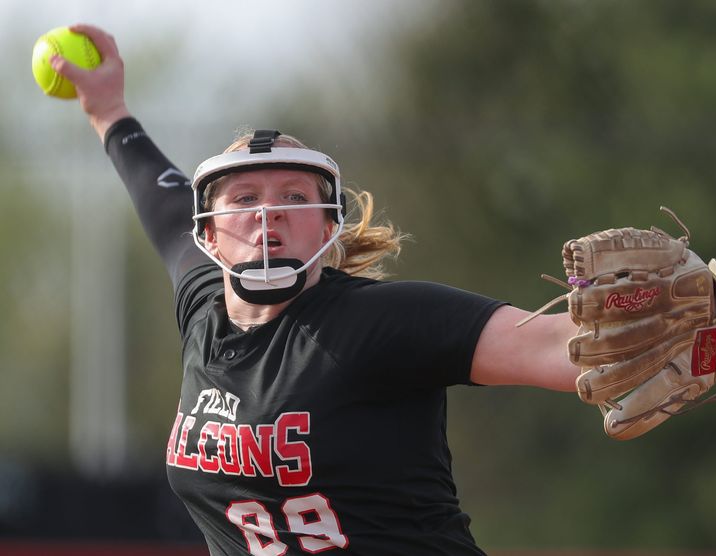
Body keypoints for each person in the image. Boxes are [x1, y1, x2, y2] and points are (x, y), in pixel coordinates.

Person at [53, 24, 580, 556]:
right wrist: (107, 112)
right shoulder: (203, 310)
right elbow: (157, 192)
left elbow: (561, 345)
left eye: (294, 194)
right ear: (207, 231)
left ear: (329, 227)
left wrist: (654, 316)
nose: (268, 210)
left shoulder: (380, 321)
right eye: (243, 197)